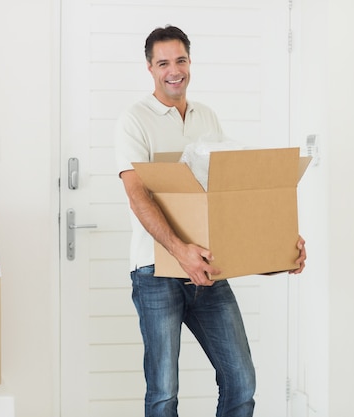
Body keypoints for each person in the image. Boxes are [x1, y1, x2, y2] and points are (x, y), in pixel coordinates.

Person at [114, 25, 307, 417]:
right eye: (163, 62)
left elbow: (228, 199)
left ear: (190, 63)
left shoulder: (207, 118)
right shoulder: (134, 120)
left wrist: (277, 251)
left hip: (208, 270)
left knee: (241, 381)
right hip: (156, 271)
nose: (174, 70)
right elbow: (138, 196)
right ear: (149, 67)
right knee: (163, 392)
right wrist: (180, 251)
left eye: (181, 60)